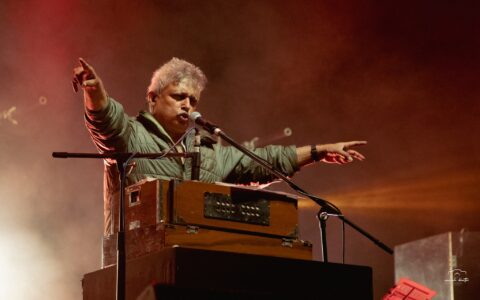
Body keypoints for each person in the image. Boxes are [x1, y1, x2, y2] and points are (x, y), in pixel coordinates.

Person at [73, 57, 367, 236]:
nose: (187, 104)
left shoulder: (208, 151)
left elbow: (263, 161)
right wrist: (95, 91)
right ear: (152, 98)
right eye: (178, 96)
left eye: (193, 100)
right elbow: (105, 121)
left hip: (194, 265)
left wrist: (317, 151)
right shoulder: (130, 135)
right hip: (136, 266)